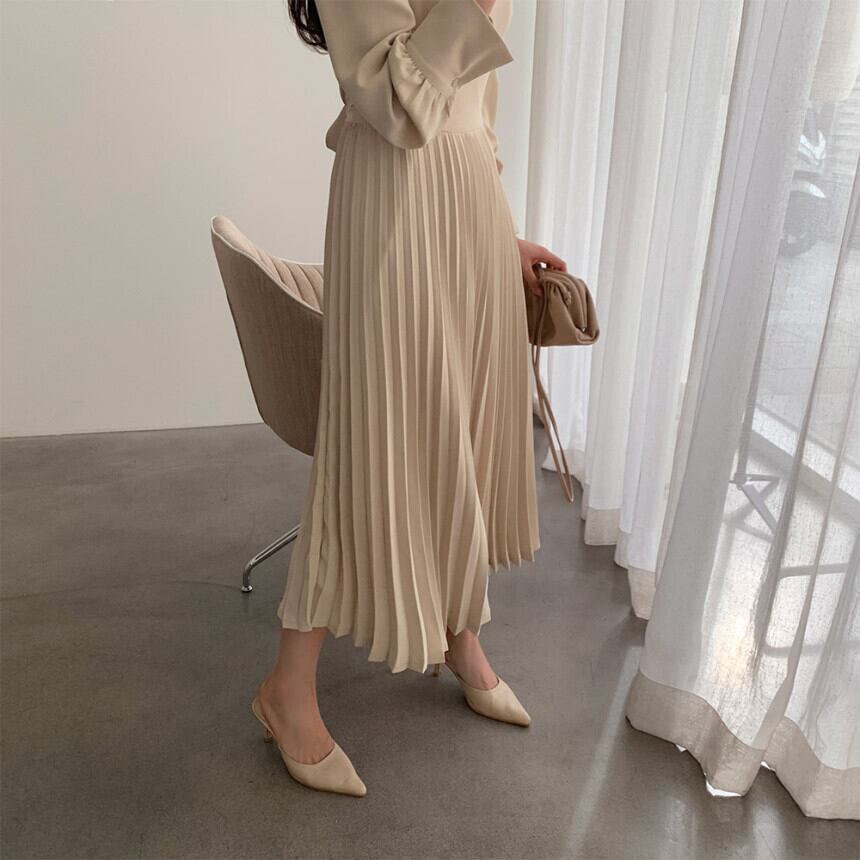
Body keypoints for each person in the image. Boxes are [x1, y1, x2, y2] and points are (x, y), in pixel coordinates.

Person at [250, 0, 567, 797]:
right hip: (392, 200)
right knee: (375, 441)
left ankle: (460, 632)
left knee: (469, 423)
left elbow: (474, 105)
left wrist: (502, 230)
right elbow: (394, 101)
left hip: (469, 204)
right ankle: (287, 688)